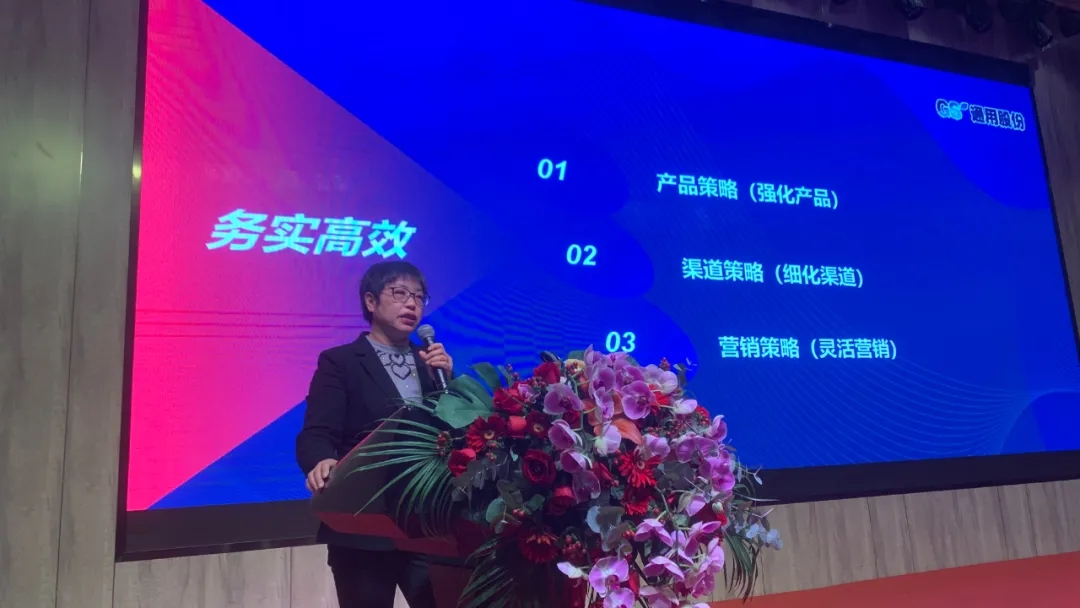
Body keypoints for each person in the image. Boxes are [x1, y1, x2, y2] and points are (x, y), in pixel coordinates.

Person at [296, 261, 453, 608]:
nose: (412, 304)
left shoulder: (431, 364)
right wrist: (321, 460)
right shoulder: (341, 362)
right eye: (400, 293)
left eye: (419, 297)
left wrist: (449, 384)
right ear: (370, 301)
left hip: (425, 523)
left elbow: (452, 436)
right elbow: (316, 432)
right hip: (362, 524)